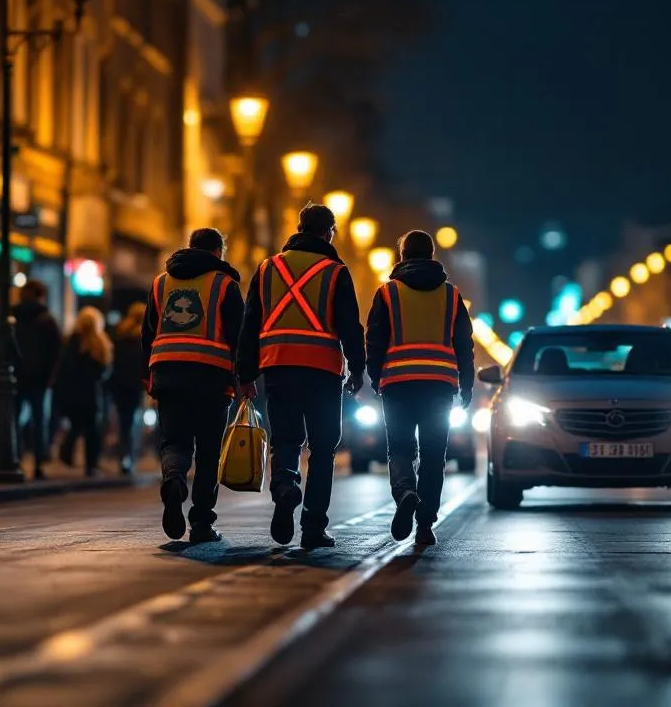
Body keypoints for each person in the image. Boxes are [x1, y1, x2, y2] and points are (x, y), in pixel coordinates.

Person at [237, 204, 366, 549]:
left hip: (278, 367)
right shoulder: (335, 272)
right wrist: (358, 368)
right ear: (328, 233)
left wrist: (245, 373)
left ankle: (285, 487)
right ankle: (313, 527)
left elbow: (250, 325)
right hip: (323, 372)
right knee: (323, 448)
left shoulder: (268, 268)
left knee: (285, 439)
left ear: (299, 228)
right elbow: (349, 326)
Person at [365, 230, 475, 547]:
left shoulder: (387, 293)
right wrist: (466, 385)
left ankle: (405, 493)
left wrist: (375, 377)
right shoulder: (451, 295)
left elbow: (374, 340)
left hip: (397, 385)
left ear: (402, 256)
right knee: (433, 455)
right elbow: (464, 344)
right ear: (431, 255)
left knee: (399, 448)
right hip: (439, 387)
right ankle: (425, 525)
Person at [143, 228, 243, 543]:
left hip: (168, 375)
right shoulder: (224, 284)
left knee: (174, 442)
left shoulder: (161, 283)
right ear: (218, 252)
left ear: (190, 247)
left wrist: (148, 376)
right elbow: (238, 337)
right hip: (212, 378)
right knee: (209, 452)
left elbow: (148, 334)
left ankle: (174, 480)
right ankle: (201, 522)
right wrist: (245, 379)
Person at [11, 279, 62, 480]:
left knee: (14, 420)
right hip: (40, 379)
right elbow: (56, 352)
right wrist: (50, 376)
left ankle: (15, 459)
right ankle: (38, 464)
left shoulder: (13, 316)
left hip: (17, 375)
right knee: (39, 422)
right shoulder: (47, 320)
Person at [54, 307, 113, 475]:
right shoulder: (100, 343)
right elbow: (104, 370)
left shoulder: (72, 341)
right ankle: (90, 465)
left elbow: (64, 368)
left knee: (77, 425)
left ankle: (67, 452)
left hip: (73, 392)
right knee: (92, 430)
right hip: (91, 393)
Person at [109, 301, 147, 474]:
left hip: (119, 384)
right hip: (136, 385)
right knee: (133, 422)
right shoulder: (145, 335)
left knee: (123, 422)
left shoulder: (120, 333)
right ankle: (129, 456)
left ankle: (123, 456)